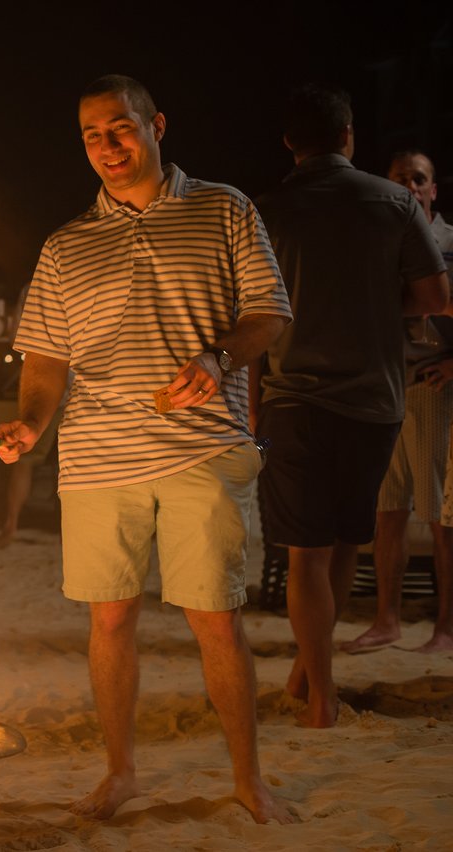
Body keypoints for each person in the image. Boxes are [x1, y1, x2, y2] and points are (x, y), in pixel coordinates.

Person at [0, 74, 294, 824]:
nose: (107, 145)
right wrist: (30, 422)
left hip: (201, 446)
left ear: (156, 125)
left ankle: (249, 779)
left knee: (216, 618)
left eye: (120, 127)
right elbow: (45, 360)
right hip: (96, 456)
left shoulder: (223, 208)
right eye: (92, 134)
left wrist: (219, 358)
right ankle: (120, 772)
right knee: (109, 622)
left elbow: (269, 314)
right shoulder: (66, 246)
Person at [254, 85, 449, 727]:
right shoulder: (395, 202)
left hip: (293, 397)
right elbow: (434, 296)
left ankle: (319, 686)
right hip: (373, 400)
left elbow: (249, 316)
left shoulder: (265, 210)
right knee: (344, 543)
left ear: (290, 142)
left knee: (305, 552)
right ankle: (316, 676)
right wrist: (372, 301)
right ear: (347, 135)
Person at [343, 149, 453, 655]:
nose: (409, 187)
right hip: (386, 388)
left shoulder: (449, 243)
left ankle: (445, 626)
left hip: (435, 393)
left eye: (419, 179)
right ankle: (387, 620)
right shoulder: (376, 245)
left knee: (440, 514)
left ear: (433, 190)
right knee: (387, 512)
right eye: (399, 179)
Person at [0, 284, 66, 549]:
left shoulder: (33, 287)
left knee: (26, 459)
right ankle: (11, 525)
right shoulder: (36, 287)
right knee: (24, 453)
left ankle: (11, 526)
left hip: (71, 390)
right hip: (58, 390)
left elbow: (19, 338)